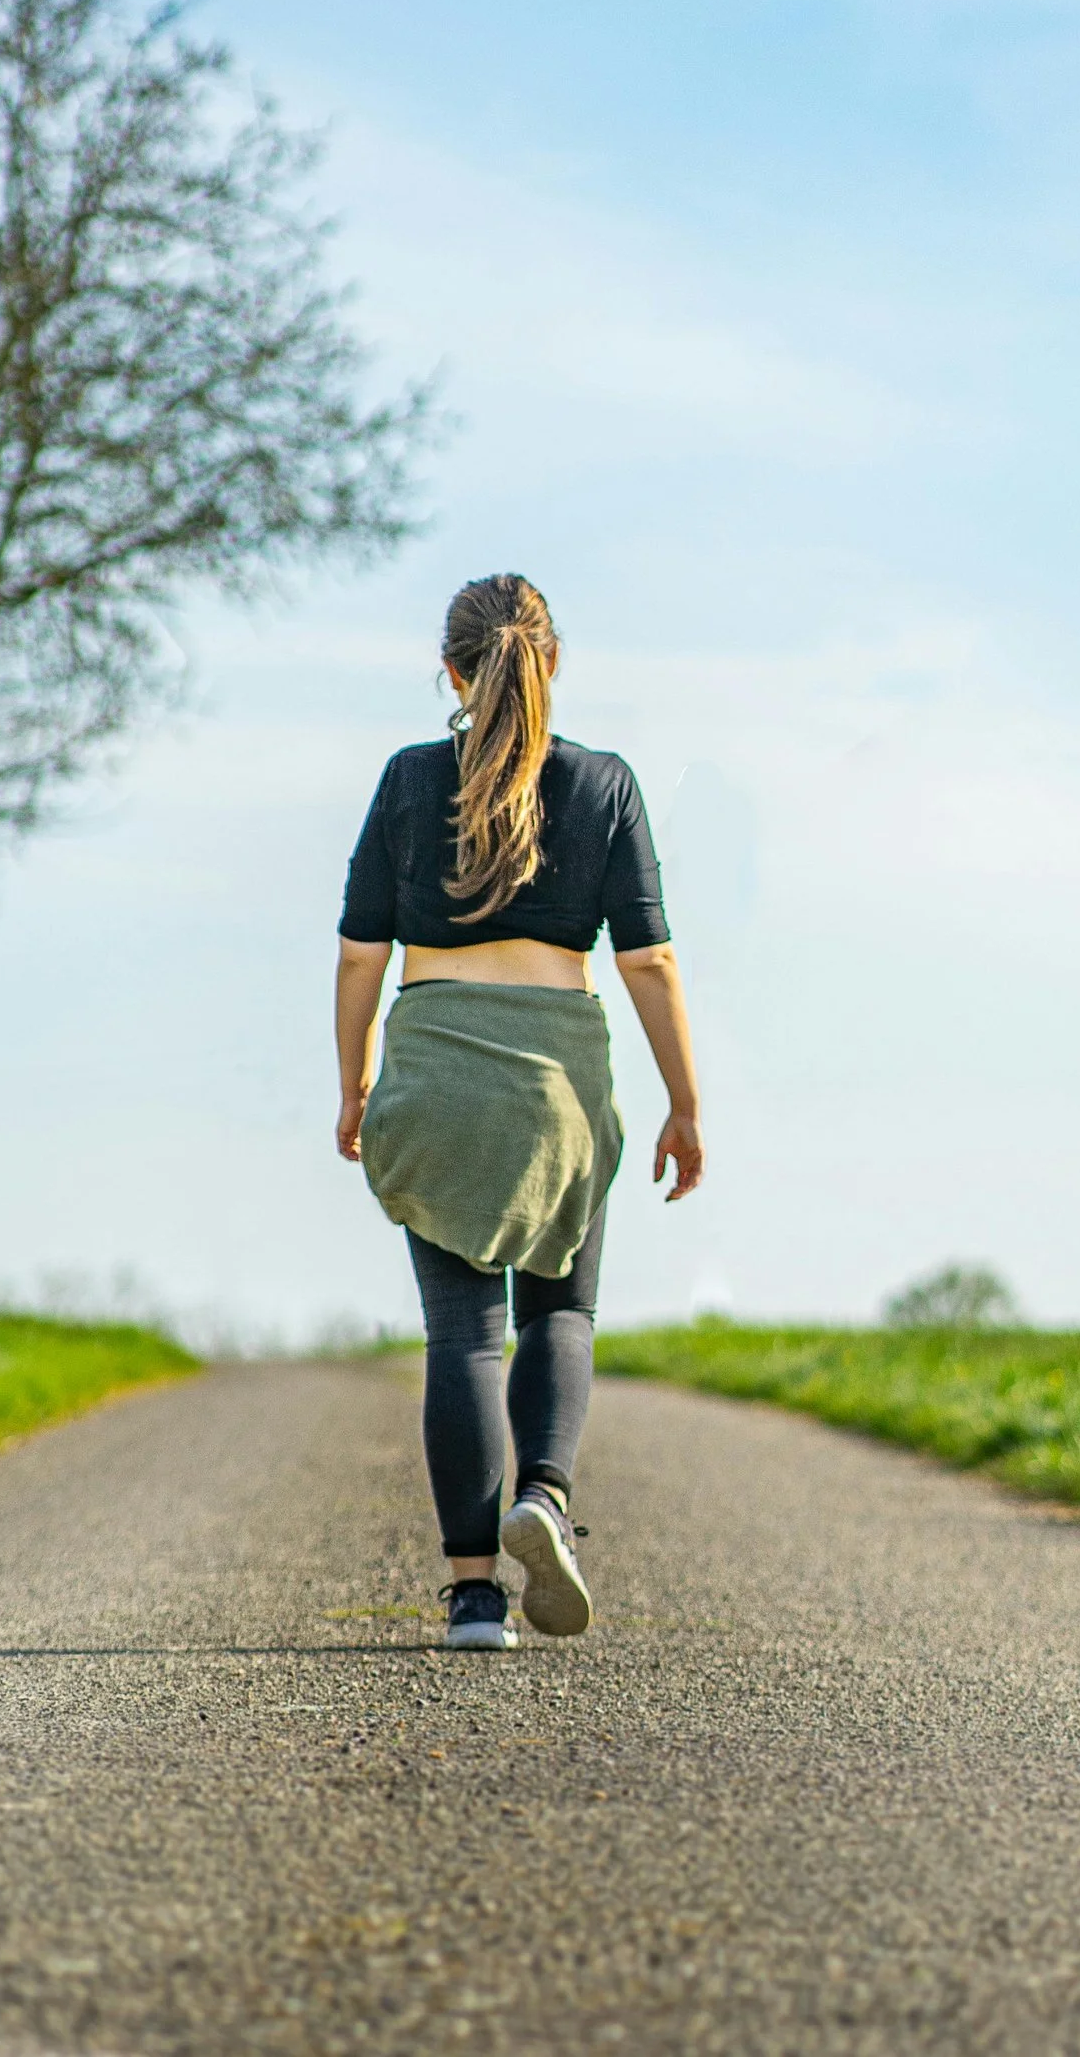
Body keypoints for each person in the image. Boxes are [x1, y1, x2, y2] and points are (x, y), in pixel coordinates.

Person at [334, 572, 704, 1649]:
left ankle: (475, 1597)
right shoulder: (603, 784)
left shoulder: (408, 781)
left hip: (435, 1065)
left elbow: (362, 954)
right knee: (561, 1314)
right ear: (554, 662)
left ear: (450, 671)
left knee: (461, 1329)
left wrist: (353, 1082)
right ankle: (542, 1492)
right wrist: (683, 1103)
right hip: (559, 1083)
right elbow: (649, 958)